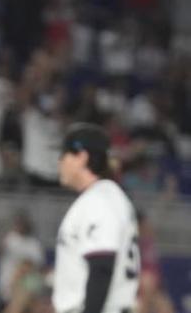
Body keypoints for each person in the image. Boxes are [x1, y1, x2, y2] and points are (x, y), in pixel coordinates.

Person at [53, 123, 139, 313]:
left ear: (81, 157)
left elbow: (102, 266)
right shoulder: (104, 197)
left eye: (64, 155)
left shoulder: (100, 200)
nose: (59, 161)